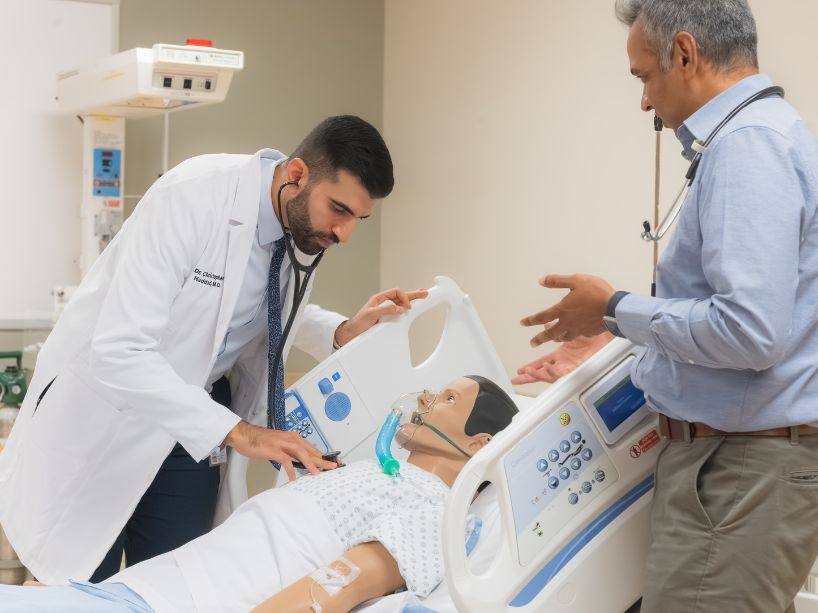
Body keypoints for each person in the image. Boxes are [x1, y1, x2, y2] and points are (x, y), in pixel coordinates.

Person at [0, 115, 427, 585]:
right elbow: (121, 349)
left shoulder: (300, 229)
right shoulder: (192, 197)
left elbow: (251, 305)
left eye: (358, 220)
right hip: (109, 414)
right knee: (77, 584)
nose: (345, 233)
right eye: (339, 209)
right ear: (297, 174)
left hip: (194, 427)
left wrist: (339, 331)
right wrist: (242, 433)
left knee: (174, 582)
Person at [517, 1, 818, 611]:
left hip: (738, 470)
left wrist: (614, 308)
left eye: (644, 77)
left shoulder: (749, 146)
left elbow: (750, 332)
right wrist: (625, 335)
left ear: (684, 53)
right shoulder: (759, 138)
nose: (644, 101)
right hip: (736, 466)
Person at [0, 375, 519, 613]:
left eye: (448, 397)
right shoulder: (384, 475)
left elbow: (340, 588)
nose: (425, 396)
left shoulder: (434, 507)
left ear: (480, 444)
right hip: (139, 590)